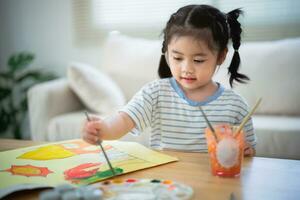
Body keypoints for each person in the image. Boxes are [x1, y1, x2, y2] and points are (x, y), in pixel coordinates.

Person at [82, 4, 256, 156]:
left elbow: (250, 154)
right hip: (168, 185)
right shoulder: (155, 93)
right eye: (178, 58)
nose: (186, 68)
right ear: (167, 52)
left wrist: (247, 151)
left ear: (221, 56)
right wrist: (103, 129)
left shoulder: (235, 106)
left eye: (198, 60)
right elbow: (123, 121)